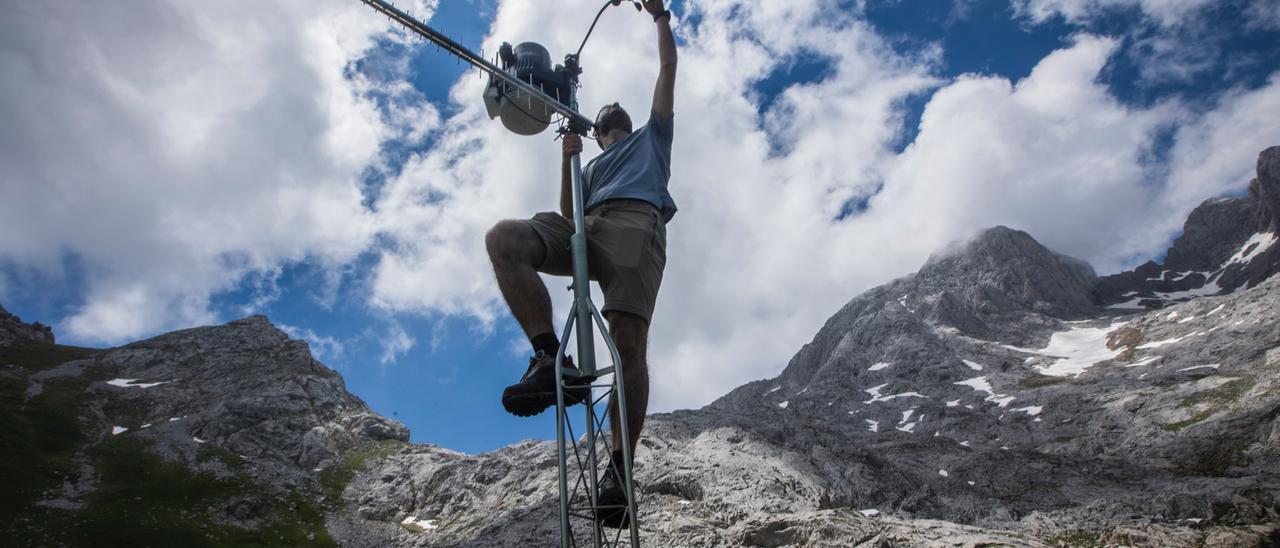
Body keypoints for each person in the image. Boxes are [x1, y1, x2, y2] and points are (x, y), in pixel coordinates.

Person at [483, 0, 676, 528]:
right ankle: (550, 359)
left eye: (617, 106)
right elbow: (570, 214)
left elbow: (666, 71)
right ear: (596, 132)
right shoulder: (588, 162)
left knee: (627, 340)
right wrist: (567, 160)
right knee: (505, 240)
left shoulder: (652, 140)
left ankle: (618, 468)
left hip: (636, 225)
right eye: (605, 110)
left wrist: (660, 16)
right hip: (586, 225)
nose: (610, 106)